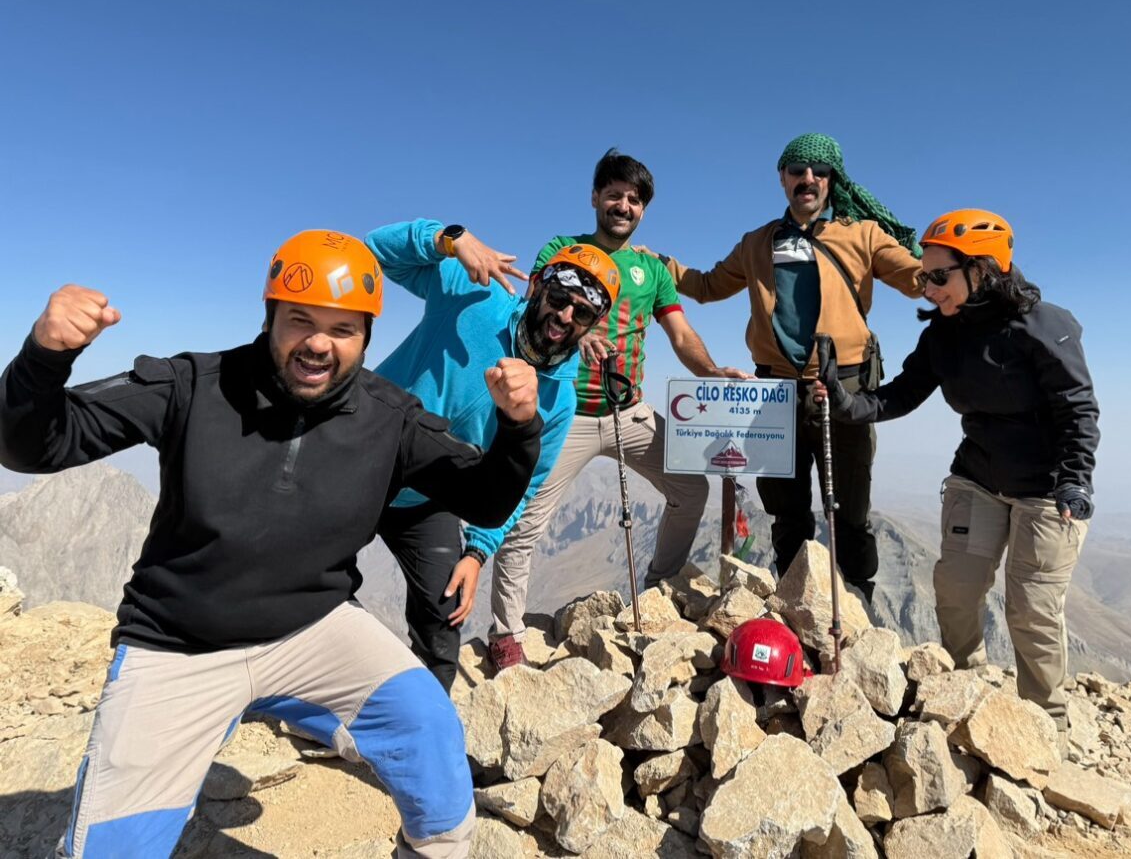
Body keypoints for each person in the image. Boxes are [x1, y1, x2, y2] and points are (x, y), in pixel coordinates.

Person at [0, 230, 546, 858]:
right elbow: (36, 444)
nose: (319, 343)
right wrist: (43, 359)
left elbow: (484, 498)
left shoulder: (390, 416)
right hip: (178, 644)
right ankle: (267, 703)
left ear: (366, 336)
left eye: (343, 328)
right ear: (270, 319)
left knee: (430, 732)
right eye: (300, 320)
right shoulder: (193, 385)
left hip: (313, 628)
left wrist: (518, 427)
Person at [814, 208, 1100, 732]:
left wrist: (1076, 477)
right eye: (924, 276)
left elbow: (1077, 407)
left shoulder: (1045, 326)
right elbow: (901, 393)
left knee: (1031, 608)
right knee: (956, 589)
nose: (927, 289)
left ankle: (1045, 728)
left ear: (984, 269)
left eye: (938, 276)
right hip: (978, 476)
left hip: (1045, 487)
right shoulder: (945, 334)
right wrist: (844, 401)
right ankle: (963, 693)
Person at [487, 149, 750, 669]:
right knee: (524, 523)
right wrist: (572, 337)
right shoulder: (563, 249)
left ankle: (658, 587)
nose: (623, 205)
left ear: (643, 209)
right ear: (594, 198)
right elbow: (533, 305)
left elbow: (680, 333)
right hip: (564, 410)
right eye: (614, 194)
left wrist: (713, 372)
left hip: (627, 411)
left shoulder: (652, 270)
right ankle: (505, 633)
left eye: (634, 199)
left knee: (689, 488)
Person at [653, 133, 922, 602]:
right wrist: (658, 263)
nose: (808, 179)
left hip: (847, 389)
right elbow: (708, 286)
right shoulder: (758, 243)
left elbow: (916, 280)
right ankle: (793, 599)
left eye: (818, 171)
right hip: (774, 392)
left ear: (832, 180)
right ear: (782, 178)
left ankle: (856, 600)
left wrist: (959, 266)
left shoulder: (863, 235)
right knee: (786, 507)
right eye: (797, 170)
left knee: (850, 507)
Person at [366, 220, 619, 690]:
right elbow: (374, 253)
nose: (565, 316)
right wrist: (449, 238)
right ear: (539, 287)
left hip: (431, 497)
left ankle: (425, 730)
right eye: (561, 298)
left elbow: (522, 484)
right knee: (303, 571)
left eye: (582, 313)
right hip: (363, 462)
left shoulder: (559, 400)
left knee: (443, 626)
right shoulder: (475, 296)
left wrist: (478, 552)